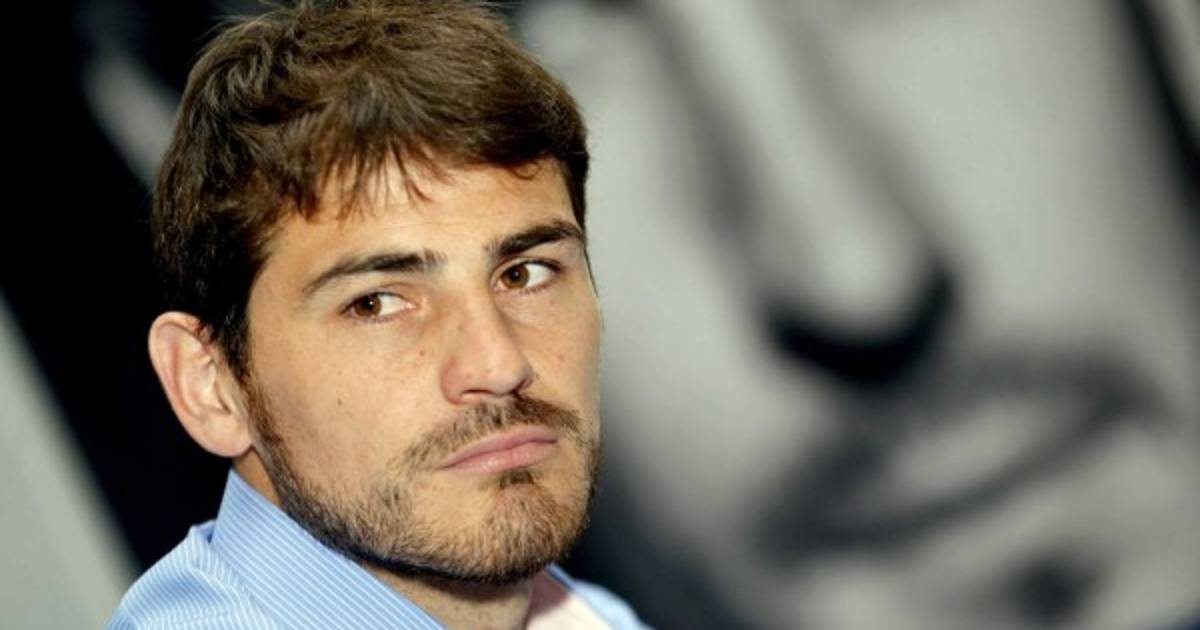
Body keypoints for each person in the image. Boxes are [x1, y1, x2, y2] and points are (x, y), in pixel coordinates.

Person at [106, 1, 643, 628]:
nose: (499, 364)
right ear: (211, 388)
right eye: (376, 303)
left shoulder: (591, 617)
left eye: (524, 274)